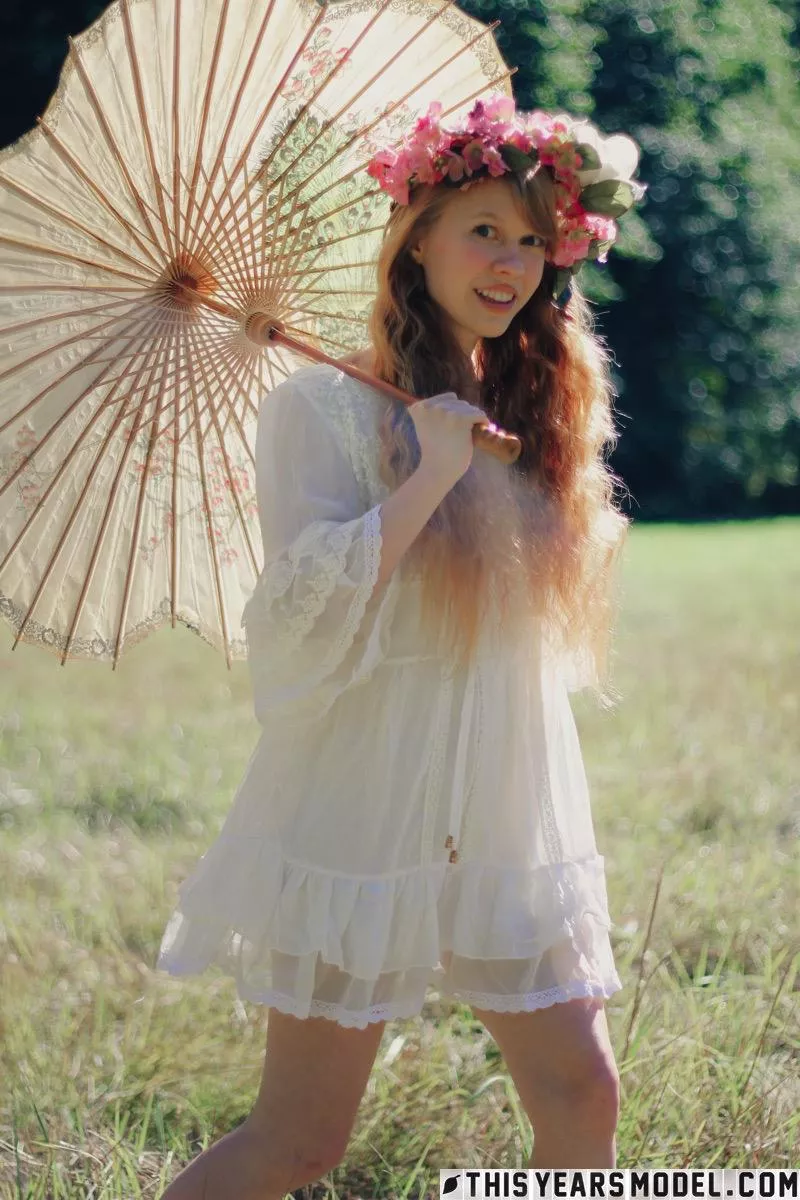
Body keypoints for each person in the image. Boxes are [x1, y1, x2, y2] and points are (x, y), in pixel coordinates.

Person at [157, 94, 646, 1197]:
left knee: (581, 1091)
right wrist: (425, 475)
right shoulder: (322, 409)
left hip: (504, 789)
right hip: (366, 792)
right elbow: (296, 622)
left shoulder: (539, 395)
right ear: (415, 234)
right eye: (481, 227)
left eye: (531, 240)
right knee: (299, 1143)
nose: (508, 262)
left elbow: (542, 622)